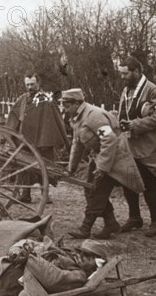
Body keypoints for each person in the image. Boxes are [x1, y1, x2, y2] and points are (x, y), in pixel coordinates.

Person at [61, 88, 145, 239]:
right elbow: (77, 144)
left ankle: (85, 228)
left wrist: (102, 167)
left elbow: (109, 140)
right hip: (101, 156)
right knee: (90, 190)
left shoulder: (94, 116)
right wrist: (71, 168)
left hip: (114, 158)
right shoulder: (77, 119)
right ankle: (110, 223)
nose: (64, 109)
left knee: (97, 191)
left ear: (77, 103)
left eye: (66, 105)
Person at [117, 57, 156, 237]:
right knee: (128, 182)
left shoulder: (153, 90)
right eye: (121, 73)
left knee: (149, 185)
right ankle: (135, 218)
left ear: (137, 71)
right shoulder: (126, 90)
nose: (123, 77)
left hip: (149, 149)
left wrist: (135, 125)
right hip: (130, 146)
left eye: (126, 73)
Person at [6, 73, 69, 203]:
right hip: (25, 140)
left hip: (43, 141)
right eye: (27, 84)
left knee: (44, 167)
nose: (29, 87)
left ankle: (45, 194)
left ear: (38, 84)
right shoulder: (23, 99)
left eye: (32, 84)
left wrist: (48, 138)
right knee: (24, 166)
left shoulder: (47, 99)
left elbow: (55, 120)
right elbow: (14, 115)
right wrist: (10, 133)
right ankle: (25, 194)